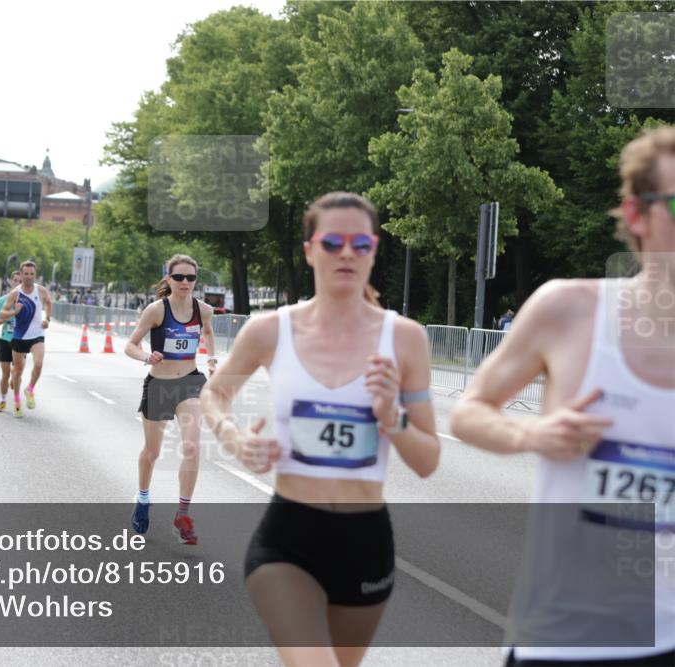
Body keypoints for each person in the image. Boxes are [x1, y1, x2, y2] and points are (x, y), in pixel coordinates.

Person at [450, 126, 675, 666]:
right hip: (565, 639)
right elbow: (468, 412)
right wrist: (534, 432)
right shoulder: (569, 311)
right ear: (637, 214)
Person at [200, 192, 440, 666]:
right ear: (310, 251)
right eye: (332, 242)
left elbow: (428, 459)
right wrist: (233, 436)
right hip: (288, 538)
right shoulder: (270, 331)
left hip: (365, 541)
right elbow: (213, 394)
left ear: (374, 250)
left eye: (360, 243)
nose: (346, 253)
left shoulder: (406, 339)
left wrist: (392, 418)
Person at [125, 254, 217, 545]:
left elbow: (210, 334)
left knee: (192, 447)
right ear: (168, 279)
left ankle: (182, 515)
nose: (185, 283)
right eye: (179, 277)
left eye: (191, 278)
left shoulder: (203, 310)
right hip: (159, 385)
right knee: (151, 453)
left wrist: (212, 359)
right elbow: (130, 345)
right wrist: (145, 356)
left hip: (190, 383)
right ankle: (142, 498)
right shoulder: (156, 310)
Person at [0, 260, 53, 418]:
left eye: (32, 274)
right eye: (26, 274)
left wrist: (47, 319)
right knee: (18, 371)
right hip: (19, 336)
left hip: (37, 334)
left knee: (38, 363)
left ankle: (29, 389)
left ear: (35, 275)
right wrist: (14, 312)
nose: (29, 277)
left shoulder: (41, 291)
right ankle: (16, 401)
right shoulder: (15, 293)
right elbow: (2, 313)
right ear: (21, 275)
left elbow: (49, 303)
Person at [0, 271, 23, 412]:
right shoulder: (3, 300)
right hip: (5, 340)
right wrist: (9, 316)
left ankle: (17, 402)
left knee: (17, 373)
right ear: (11, 282)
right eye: (15, 280)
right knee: (5, 373)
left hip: (21, 341)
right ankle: (3, 400)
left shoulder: (26, 302)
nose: (17, 283)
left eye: (20, 281)